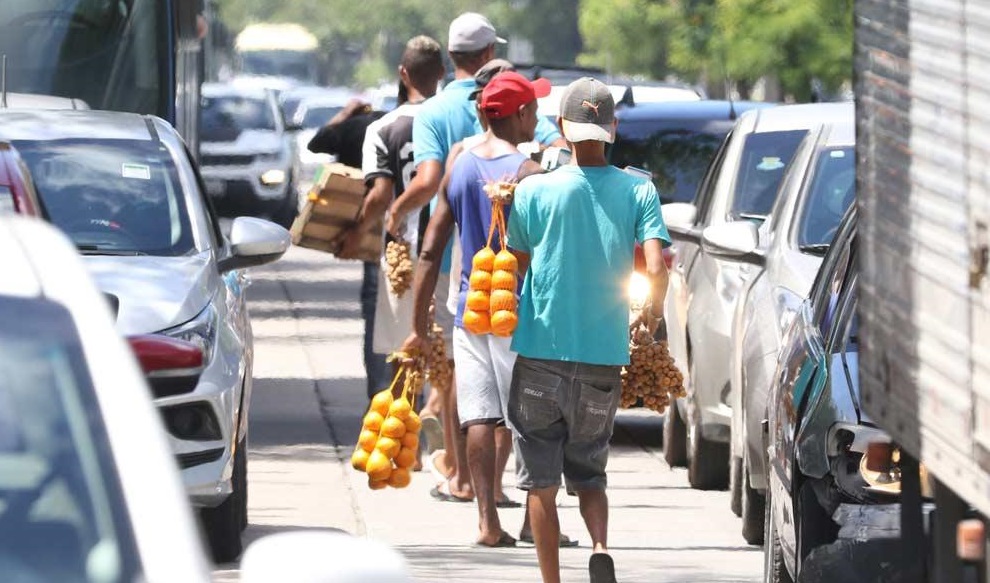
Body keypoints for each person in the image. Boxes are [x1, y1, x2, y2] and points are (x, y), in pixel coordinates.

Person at [504, 77, 671, 583]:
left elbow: (518, 260)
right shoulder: (639, 189)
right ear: (612, 128)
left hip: (539, 354)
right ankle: (599, 548)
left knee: (540, 482)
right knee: (591, 471)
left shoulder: (532, 190)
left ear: (562, 129)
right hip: (601, 359)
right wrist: (652, 315)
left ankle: (552, 579)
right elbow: (657, 267)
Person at [401, 71, 549, 547]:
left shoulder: (459, 166)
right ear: (520, 114)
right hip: (518, 313)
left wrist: (419, 324)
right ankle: (533, 521)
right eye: (534, 109)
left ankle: (487, 524)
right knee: (531, 420)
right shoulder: (530, 175)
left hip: (470, 311)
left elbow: (429, 249)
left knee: (480, 415)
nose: (539, 117)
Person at [387, 11, 504, 503]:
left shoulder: (432, 113)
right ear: (488, 56)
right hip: (505, 258)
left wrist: (396, 213)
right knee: (502, 370)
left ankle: (458, 471)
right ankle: (492, 484)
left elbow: (431, 181)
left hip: (455, 258)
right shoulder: (507, 101)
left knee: (456, 369)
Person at [337, 35, 448, 464]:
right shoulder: (454, 119)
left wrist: (355, 233)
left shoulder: (382, 128)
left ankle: (409, 443)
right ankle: (445, 425)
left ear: (403, 74)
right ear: (440, 74)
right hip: (455, 246)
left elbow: (381, 193)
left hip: (404, 255)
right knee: (451, 346)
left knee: (406, 345)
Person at [307, 99, 388, 399]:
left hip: (364, 224)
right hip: (399, 228)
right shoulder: (397, 127)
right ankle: (409, 398)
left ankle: (379, 395)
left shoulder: (354, 126)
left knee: (375, 311)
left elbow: (316, 144)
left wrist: (343, 115)